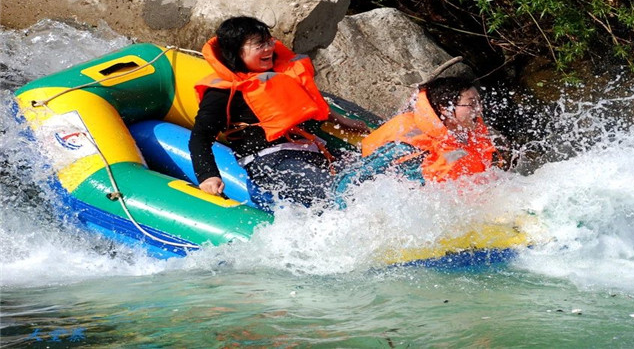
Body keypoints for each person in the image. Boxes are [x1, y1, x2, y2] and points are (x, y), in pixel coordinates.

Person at [189, 16, 368, 209]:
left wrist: (342, 122)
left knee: (369, 178)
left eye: (268, 42)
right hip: (271, 162)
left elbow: (310, 105)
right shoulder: (222, 93)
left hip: (312, 151)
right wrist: (208, 176)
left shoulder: (281, 73)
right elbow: (200, 138)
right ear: (235, 52)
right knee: (342, 195)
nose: (268, 49)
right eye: (259, 45)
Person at [331, 77, 502, 205]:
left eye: (479, 102)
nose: (479, 110)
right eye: (471, 104)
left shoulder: (472, 134)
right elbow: (348, 182)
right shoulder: (411, 145)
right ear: (446, 109)